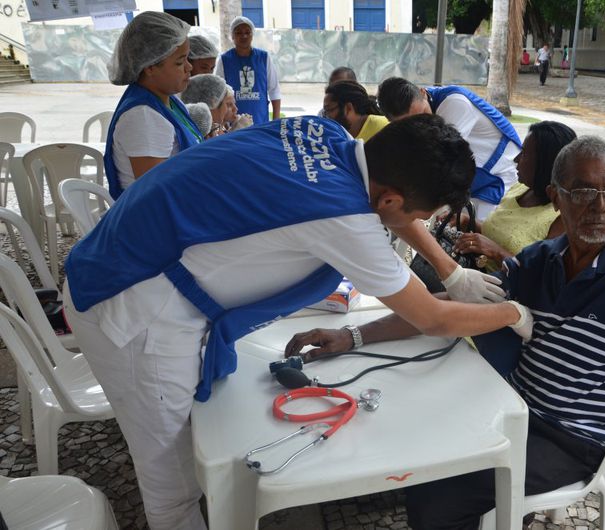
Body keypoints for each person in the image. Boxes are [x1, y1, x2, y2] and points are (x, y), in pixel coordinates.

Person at [63, 114, 534, 530]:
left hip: (124, 255)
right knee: (168, 472)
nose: (418, 222)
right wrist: (512, 313)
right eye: (421, 215)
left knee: (193, 438)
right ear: (390, 200)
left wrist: (450, 271)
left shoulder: (326, 134)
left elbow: (391, 210)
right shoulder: (343, 216)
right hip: (131, 308)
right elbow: (430, 318)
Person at [286, 136, 605, 530]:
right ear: (556, 198)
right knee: (404, 434)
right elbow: (447, 306)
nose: (601, 206)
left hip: (570, 439)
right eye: (583, 192)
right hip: (508, 407)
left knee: (434, 503)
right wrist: (353, 337)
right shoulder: (542, 258)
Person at [377, 77, 521, 221]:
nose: (421, 123)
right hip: (472, 172)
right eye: (411, 123)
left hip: (499, 172)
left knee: (482, 228)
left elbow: (441, 159)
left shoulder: (456, 103)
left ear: (423, 93)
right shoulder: (415, 111)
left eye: (423, 114)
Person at [451, 121, 575, 272]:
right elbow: (502, 234)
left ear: (544, 164)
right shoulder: (521, 189)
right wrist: (468, 222)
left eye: (524, 154)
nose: (516, 159)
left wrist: (496, 252)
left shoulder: (561, 217)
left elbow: (542, 276)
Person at [104, 11, 202, 199]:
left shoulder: (167, 100)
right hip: (152, 223)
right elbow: (155, 196)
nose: (189, 67)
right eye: (180, 62)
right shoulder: (143, 118)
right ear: (150, 67)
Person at [215, 16, 281, 124]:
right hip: (233, 125)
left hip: (260, 123)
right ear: (232, 36)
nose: (244, 36)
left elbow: (274, 90)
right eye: (238, 33)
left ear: (252, 35)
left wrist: (276, 121)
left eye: (247, 32)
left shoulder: (264, 58)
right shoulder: (224, 60)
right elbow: (218, 94)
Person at [323, 80, 389, 141]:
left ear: (348, 108)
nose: (325, 116)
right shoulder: (334, 138)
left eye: (329, 110)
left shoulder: (385, 128)